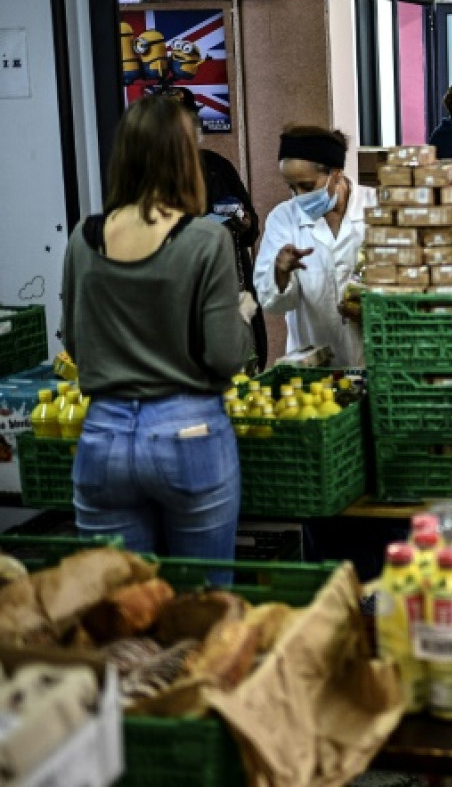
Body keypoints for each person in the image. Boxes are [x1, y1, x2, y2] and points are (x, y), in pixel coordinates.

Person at [61, 94, 252, 567]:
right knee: (201, 608)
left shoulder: (84, 238)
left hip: (102, 436)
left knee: (119, 608)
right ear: (185, 158)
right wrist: (241, 316)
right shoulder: (206, 239)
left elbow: (75, 344)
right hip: (189, 432)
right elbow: (226, 356)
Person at [254, 125, 377, 365]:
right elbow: (272, 303)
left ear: (337, 173)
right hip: (314, 365)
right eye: (292, 187)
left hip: (375, 359)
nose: (299, 196)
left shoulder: (377, 208)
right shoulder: (283, 218)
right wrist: (280, 273)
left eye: (307, 186)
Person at [172, 88, 267, 371]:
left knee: (244, 367)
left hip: (232, 283)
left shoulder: (216, 166)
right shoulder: (148, 176)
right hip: (184, 293)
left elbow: (251, 231)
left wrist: (246, 222)